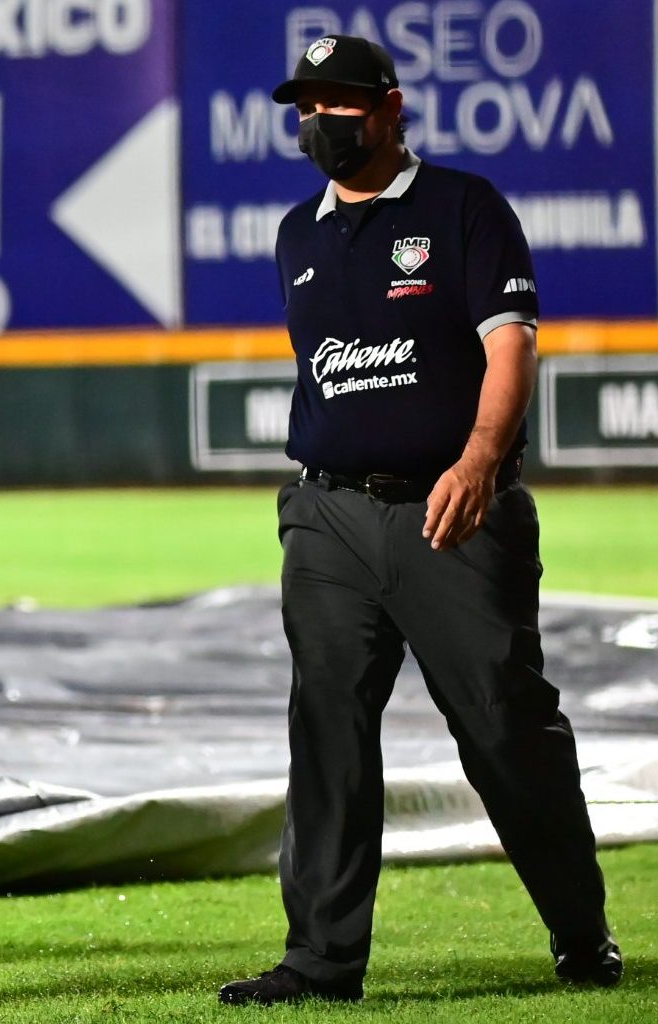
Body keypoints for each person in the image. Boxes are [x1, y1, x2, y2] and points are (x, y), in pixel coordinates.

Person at [217, 36, 622, 1006]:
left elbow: (508, 345)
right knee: (325, 729)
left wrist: (481, 459)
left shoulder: (460, 208)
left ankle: (578, 932)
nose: (320, 123)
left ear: (388, 108)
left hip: (451, 512)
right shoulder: (296, 234)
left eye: (339, 105)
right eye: (305, 108)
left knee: (501, 726)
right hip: (326, 515)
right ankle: (318, 960)